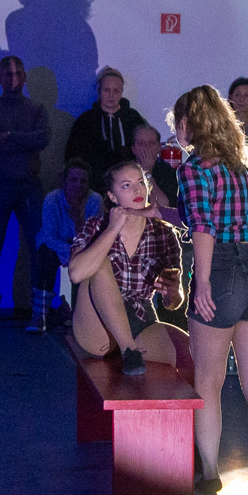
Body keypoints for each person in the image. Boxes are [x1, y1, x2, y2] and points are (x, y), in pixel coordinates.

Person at [174, 85, 248, 495]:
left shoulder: (193, 168)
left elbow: (204, 227)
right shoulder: (237, 166)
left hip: (221, 271)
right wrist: (160, 213)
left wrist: (202, 282)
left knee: (208, 381)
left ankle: (209, 474)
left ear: (187, 123)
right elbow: (221, 219)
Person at [68, 158, 188, 375]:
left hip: (140, 315)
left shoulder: (163, 233)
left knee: (180, 365)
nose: (136, 190)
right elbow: (76, 274)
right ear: (112, 196)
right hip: (97, 322)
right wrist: (112, 229)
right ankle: (129, 351)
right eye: (126, 185)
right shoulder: (96, 225)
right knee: (100, 264)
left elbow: (173, 303)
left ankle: (133, 353)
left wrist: (172, 292)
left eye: (140, 182)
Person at [0, 53, 50, 324]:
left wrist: (10, 136)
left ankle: (38, 306)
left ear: (25, 77)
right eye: (8, 74)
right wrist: (25, 140)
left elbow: (43, 138)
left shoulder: (37, 108)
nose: (14, 79)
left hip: (29, 184)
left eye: (18, 73)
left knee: (38, 247)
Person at [31, 160, 101, 333]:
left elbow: (94, 238)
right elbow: (49, 237)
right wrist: (71, 252)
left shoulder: (95, 201)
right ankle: (40, 315)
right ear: (64, 181)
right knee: (47, 258)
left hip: (84, 248)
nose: (78, 185)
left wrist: (78, 218)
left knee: (92, 264)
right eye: (73, 179)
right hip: (55, 247)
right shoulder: (52, 199)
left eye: (83, 181)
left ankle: (78, 314)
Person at [64, 67, 147, 180]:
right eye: (107, 90)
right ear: (99, 91)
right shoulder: (86, 120)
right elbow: (73, 155)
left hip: (129, 179)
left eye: (116, 91)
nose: (111, 95)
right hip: (95, 182)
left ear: (122, 92)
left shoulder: (133, 118)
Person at [130, 123, 180, 219]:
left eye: (151, 143)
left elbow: (164, 207)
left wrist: (147, 173)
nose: (146, 148)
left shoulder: (169, 173)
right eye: (141, 144)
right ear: (133, 149)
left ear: (158, 147)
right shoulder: (124, 171)